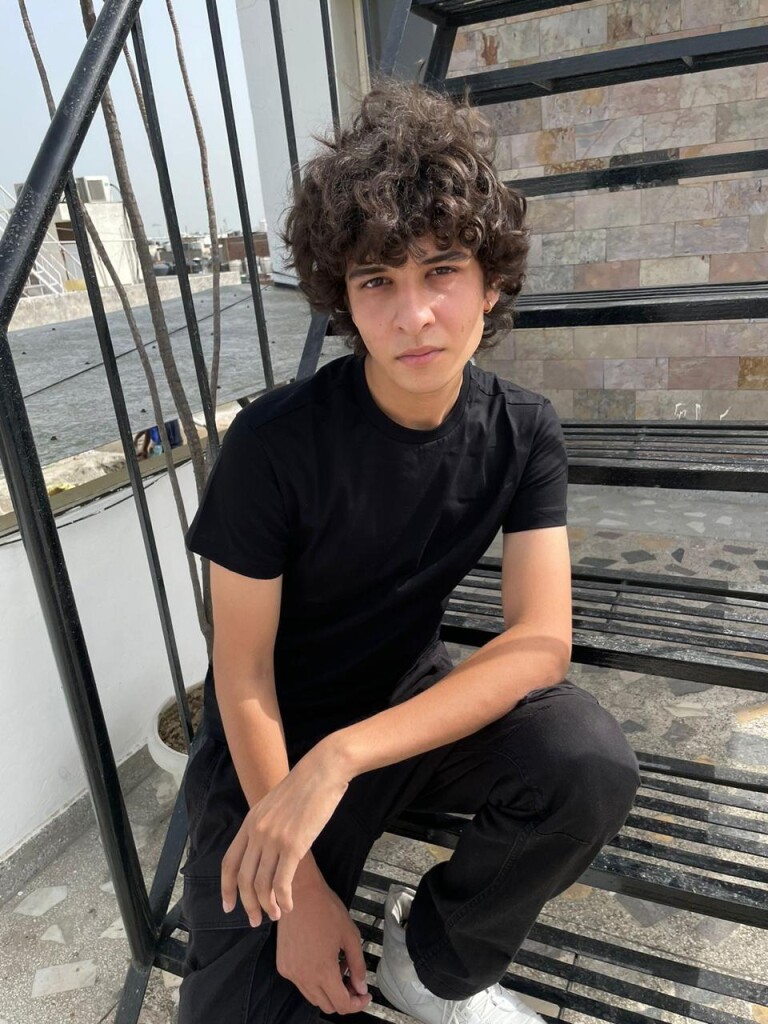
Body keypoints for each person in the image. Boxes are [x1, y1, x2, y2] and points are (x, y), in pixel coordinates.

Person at [178, 79, 640, 1024]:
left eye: (442, 270)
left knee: (584, 758)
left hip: (399, 709)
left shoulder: (523, 431)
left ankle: (433, 965)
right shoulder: (274, 445)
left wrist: (345, 755)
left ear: (491, 281)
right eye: (377, 280)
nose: (414, 314)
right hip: (272, 740)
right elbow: (243, 676)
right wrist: (301, 894)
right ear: (344, 301)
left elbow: (540, 642)